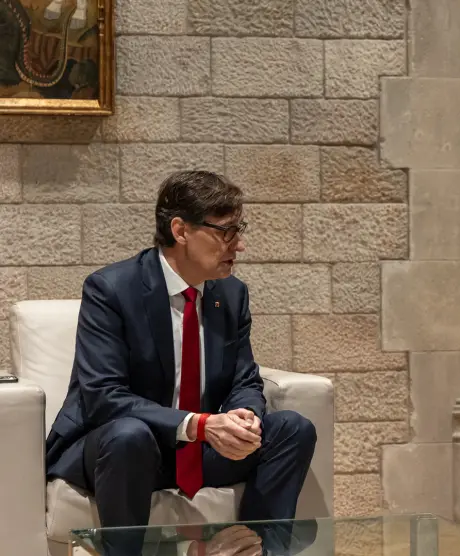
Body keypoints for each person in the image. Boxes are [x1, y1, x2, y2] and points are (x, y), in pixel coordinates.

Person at [45, 170, 318, 552]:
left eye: (239, 230)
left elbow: (244, 379)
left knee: (292, 428)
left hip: (199, 451)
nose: (238, 245)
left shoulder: (231, 294)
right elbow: (103, 396)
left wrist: (243, 418)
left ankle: (257, 549)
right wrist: (199, 425)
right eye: (226, 232)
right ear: (181, 230)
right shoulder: (111, 290)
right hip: (124, 450)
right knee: (130, 435)